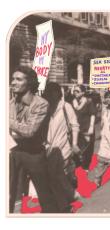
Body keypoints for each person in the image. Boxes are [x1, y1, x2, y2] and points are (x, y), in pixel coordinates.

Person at [9, 66, 58, 213]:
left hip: (34, 154)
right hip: (14, 152)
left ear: (29, 83)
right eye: (12, 78)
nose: (13, 82)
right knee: (10, 193)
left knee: (45, 196)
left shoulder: (41, 104)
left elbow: (29, 131)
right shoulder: (11, 102)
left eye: (18, 79)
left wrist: (7, 121)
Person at [42, 82, 81, 212]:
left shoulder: (66, 106)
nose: (51, 95)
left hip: (64, 147)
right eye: (49, 92)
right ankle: (70, 195)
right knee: (57, 176)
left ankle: (65, 204)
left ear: (58, 93)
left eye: (54, 92)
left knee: (56, 175)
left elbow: (75, 125)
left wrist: (74, 144)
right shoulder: (44, 108)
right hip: (48, 149)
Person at [72, 85, 97, 170]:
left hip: (87, 129)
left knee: (87, 150)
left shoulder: (88, 102)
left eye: (77, 91)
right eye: (74, 91)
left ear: (83, 93)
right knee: (76, 148)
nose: (75, 92)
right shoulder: (73, 102)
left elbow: (93, 115)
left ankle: (86, 167)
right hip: (76, 129)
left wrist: (91, 127)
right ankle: (77, 166)